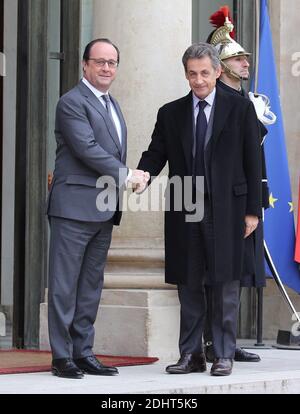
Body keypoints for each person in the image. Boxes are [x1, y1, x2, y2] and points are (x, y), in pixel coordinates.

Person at [136, 42, 262, 376]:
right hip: (185, 205)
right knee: (188, 282)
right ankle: (191, 354)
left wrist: (253, 211)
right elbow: (155, 154)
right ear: (186, 74)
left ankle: (222, 353)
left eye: (205, 73)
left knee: (224, 282)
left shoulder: (240, 108)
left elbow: (254, 159)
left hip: (229, 207)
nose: (199, 81)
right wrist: (141, 175)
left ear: (218, 71)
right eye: (192, 74)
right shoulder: (170, 112)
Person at [47, 38, 148, 379]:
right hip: (73, 208)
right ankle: (62, 357)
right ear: (85, 65)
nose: (107, 68)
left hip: (103, 208)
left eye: (112, 63)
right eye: (100, 62)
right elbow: (87, 149)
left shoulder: (111, 104)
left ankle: (83, 351)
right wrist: (127, 175)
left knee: (90, 285)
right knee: (65, 285)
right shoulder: (71, 102)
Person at [203, 7, 270, 363]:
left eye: (245, 59)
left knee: (240, 270)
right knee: (216, 273)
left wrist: (255, 205)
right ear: (223, 66)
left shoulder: (248, 101)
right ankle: (214, 342)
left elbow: (254, 157)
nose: (245, 64)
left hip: (245, 197)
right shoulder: (213, 100)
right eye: (238, 59)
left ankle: (227, 341)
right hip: (217, 201)